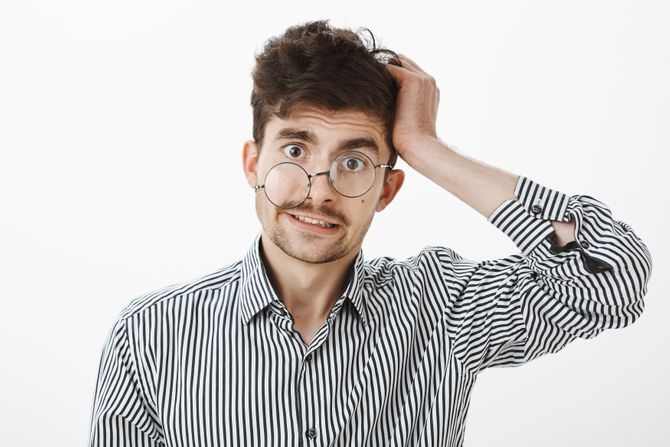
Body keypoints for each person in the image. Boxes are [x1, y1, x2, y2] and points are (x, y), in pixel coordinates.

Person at [88, 19, 653, 447]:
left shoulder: (441, 308)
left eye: (354, 162)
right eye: (294, 149)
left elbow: (611, 279)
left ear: (388, 189)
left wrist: (429, 150)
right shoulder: (149, 337)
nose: (320, 189)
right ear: (251, 164)